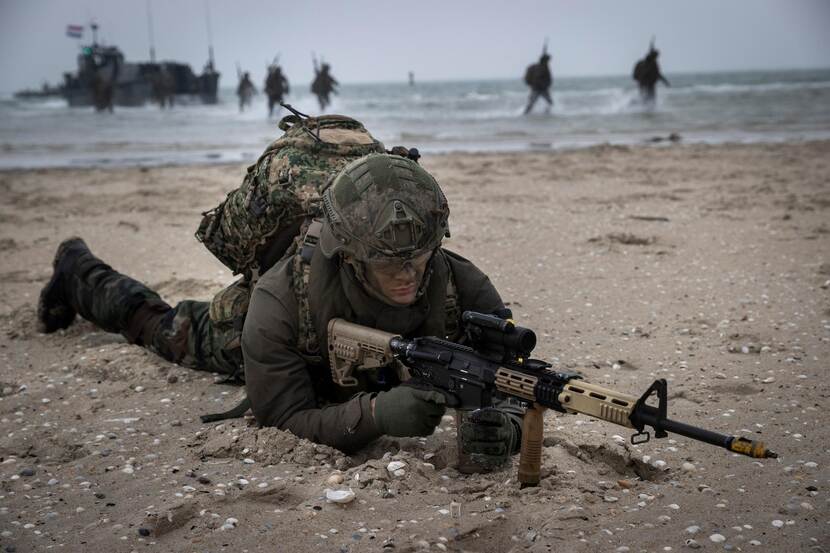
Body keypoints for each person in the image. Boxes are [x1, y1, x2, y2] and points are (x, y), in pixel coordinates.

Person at [37, 153, 522, 469]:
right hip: (262, 327)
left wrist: (510, 428)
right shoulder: (279, 303)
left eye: (419, 260)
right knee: (165, 329)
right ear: (351, 256)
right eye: (387, 264)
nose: (408, 276)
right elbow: (283, 419)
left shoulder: (463, 283)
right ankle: (77, 272)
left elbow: (513, 380)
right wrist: (374, 415)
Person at [633, 39, 670, 103]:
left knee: (646, 97)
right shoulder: (651, 64)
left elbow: (657, 74)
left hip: (646, 83)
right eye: (656, 56)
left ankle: (645, 108)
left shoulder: (648, 62)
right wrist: (665, 82)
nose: (657, 58)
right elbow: (658, 74)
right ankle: (645, 107)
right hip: (646, 83)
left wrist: (651, 44)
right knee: (649, 98)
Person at [523, 47, 553, 115]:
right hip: (537, 89)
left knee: (549, 103)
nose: (548, 62)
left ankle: (546, 113)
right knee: (531, 104)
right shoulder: (541, 68)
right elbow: (538, 78)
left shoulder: (543, 67)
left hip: (541, 89)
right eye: (547, 60)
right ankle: (525, 114)